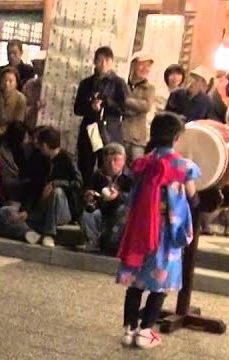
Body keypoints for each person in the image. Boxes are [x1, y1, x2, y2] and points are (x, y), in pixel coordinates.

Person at [115, 113, 199, 350]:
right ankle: (145, 331)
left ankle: (129, 330)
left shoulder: (142, 163)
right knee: (158, 283)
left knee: (136, 282)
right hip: (165, 234)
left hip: (139, 228)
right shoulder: (182, 166)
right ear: (176, 137)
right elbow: (193, 198)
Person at [4, 125, 80, 248]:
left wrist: (56, 183)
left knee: (57, 192)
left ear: (44, 145)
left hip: (60, 210)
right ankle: (29, 233)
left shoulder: (68, 159)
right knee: (6, 212)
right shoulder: (40, 160)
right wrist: (27, 210)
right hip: (41, 208)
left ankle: (49, 234)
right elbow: (34, 186)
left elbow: (78, 184)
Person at [73, 46, 130, 183]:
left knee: (108, 167)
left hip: (109, 130)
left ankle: (105, 197)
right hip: (89, 129)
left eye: (107, 60)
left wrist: (106, 102)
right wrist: (91, 107)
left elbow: (125, 109)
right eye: (100, 60)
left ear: (111, 62)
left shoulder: (119, 83)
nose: (103, 64)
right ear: (94, 62)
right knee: (85, 166)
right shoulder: (86, 83)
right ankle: (85, 196)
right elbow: (77, 109)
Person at [79, 142, 132, 254]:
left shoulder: (130, 177)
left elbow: (133, 197)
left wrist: (118, 196)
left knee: (122, 211)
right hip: (102, 211)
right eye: (108, 161)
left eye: (116, 160)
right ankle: (92, 242)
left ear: (123, 160)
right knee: (88, 214)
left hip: (119, 215)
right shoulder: (97, 175)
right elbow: (87, 191)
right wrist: (89, 195)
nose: (112, 165)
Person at [123, 52, 155, 162]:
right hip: (120, 133)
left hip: (137, 137)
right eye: (142, 64)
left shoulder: (149, 88)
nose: (145, 68)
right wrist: (135, 105)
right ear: (133, 65)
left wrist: (126, 101)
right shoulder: (123, 84)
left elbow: (146, 106)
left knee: (137, 170)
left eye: (148, 66)